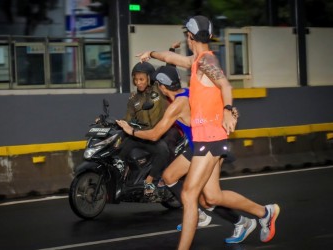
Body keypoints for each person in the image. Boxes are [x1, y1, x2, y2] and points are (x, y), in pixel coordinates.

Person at [137, 16, 280, 249]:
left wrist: (227, 109)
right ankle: (265, 213)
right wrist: (151, 53)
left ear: (189, 37)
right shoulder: (197, 60)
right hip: (209, 138)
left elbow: (225, 84)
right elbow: (173, 57)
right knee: (212, 196)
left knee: (189, 195)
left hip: (210, 138)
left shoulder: (206, 61)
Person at [116, 65, 276, 244]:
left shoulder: (177, 105)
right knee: (169, 176)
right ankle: (206, 214)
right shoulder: (186, 92)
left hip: (206, 146)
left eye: (157, 84)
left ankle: (262, 212)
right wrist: (228, 110)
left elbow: (154, 135)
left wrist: (130, 131)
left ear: (162, 87)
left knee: (210, 197)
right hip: (195, 146)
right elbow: (213, 98)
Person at [121, 61, 180, 196]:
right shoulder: (133, 99)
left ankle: (150, 180)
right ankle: (125, 177)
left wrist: (171, 51)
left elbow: (168, 73)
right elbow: (128, 118)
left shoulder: (159, 90)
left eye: (141, 79)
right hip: (142, 134)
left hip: (158, 133)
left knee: (163, 150)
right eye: (135, 79)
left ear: (149, 78)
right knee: (122, 147)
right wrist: (118, 123)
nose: (138, 82)